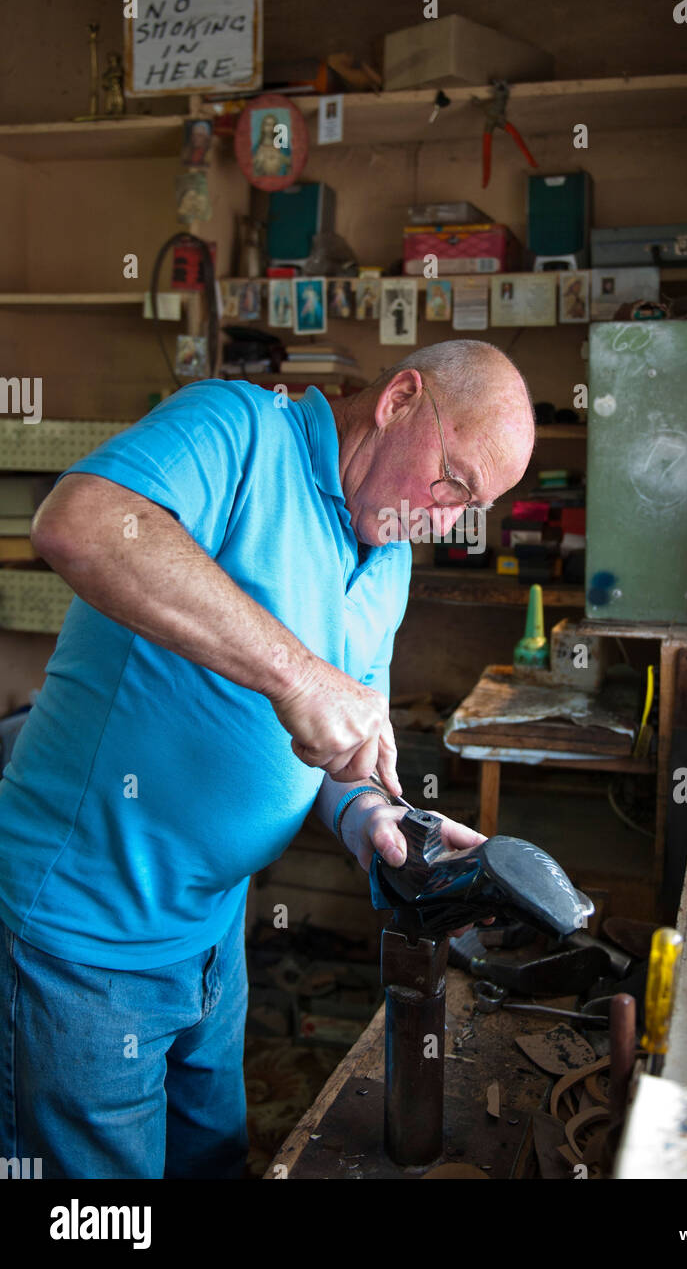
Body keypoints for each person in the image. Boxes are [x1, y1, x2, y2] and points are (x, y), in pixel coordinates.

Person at [0, 339, 535, 1179]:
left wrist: (375, 814)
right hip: (86, 945)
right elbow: (80, 522)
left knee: (212, 1164)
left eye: (472, 508)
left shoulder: (386, 556)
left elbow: (339, 744)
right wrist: (296, 673)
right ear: (400, 400)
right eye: (451, 482)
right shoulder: (243, 431)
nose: (445, 522)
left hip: (214, 940)